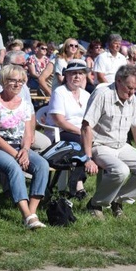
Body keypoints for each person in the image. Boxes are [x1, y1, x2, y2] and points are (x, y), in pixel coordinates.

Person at [82, 65, 136, 219]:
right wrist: (88, 158)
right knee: (121, 170)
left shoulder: (132, 99)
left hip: (122, 145)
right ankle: (96, 203)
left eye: (135, 89)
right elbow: (86, 126)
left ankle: (118, 201)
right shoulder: (102, 94)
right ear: (118, 81)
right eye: (129, 88)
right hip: (100, 145)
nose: (132, 93)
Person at [0, 65, 49, 229]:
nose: (17, 84)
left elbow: (27, 133)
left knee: (42, 165)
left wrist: (25, 150)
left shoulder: (24, 103)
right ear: (4, 81)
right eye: (13, 80)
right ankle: (27, 215)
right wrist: (17, 155)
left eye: (21, 81)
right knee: (14, 167)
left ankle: (31, 213)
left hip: (19, 146)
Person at [46, 59, 91, 197]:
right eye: (73, 73)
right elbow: (59, 120)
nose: (77, 76)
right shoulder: (59, 92)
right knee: (79, 142)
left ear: (84, 76)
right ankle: (78, 183)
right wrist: (81, 132)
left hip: (82, 131)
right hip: (61, 132)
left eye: (80, 73)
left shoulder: (86, 94)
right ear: (66, 75)